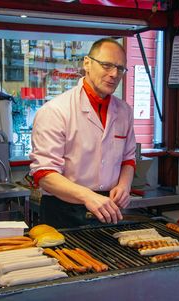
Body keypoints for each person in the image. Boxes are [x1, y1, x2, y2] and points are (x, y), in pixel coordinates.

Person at [29, 38, 136, 228]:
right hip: (63, 210)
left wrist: (124, 186)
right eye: (106, 65)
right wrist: (87, 196)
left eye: (120, 69)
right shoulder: (55, 111)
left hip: (109, 207)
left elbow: (128, 158)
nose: (114, 74)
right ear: (87, 63)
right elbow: (44, 174)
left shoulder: (124, 111)